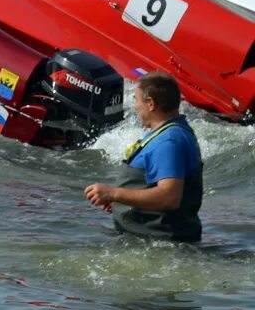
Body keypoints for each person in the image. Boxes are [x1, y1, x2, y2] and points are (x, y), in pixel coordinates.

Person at [84, 72, 203, 243]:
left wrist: (114, 193)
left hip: (161, 245)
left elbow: (169, 197)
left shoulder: (170, 141)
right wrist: (123, 200)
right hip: (147, 241)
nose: (135, 106)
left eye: (136, 100)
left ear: (150, 103)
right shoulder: (169, 132)